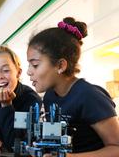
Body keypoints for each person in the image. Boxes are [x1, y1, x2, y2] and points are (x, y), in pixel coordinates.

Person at [26, 17, 119, 157]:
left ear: (60, 66)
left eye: (35, 65)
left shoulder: (89, 96)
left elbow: (116, 148)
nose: (29, 71)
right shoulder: (50, 96)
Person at [0, 46, 42, 154]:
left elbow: (15, 145)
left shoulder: (31, 99)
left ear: (18, 72)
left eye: (6, 70)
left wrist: (6, 105)